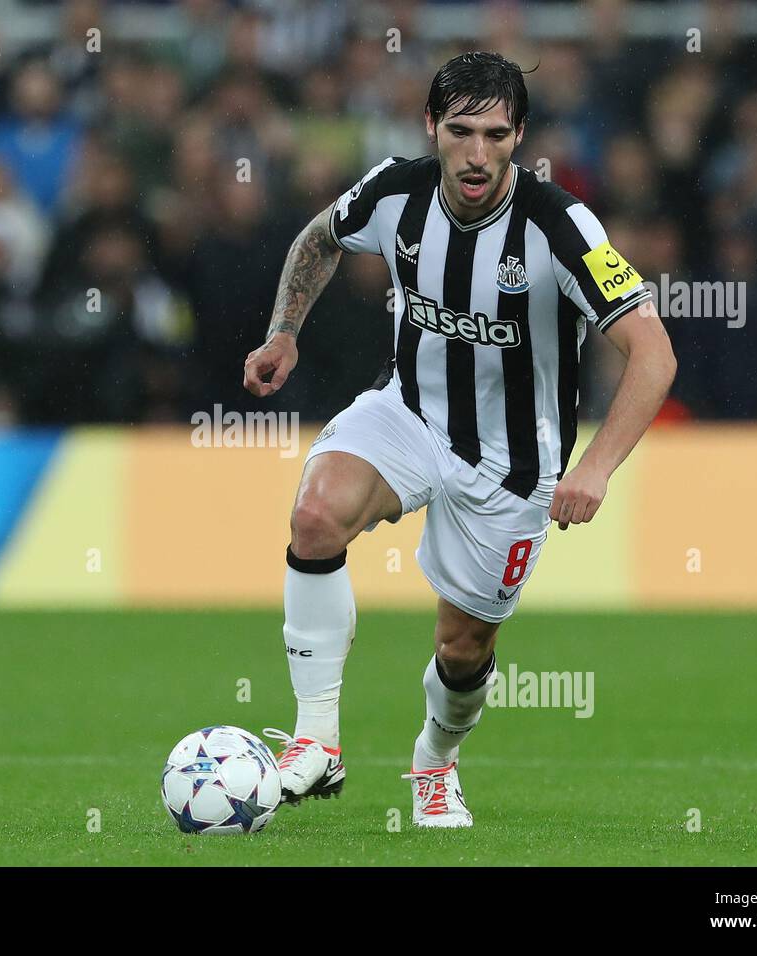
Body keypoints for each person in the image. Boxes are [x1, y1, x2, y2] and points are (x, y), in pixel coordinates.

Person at [243, 52, 677, 828]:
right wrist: (284, 332)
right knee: (314, 516)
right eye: (462, 131)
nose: (478, 155)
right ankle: (317, 743)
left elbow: (653, 350)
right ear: (431, 128)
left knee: (463, 650)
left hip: (514, 465)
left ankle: (435, 763)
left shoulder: (561, 226)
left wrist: (598, 467)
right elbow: (321, 236)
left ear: (521, 136)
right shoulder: (395, 192)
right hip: (408, 412)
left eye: (497, 134)